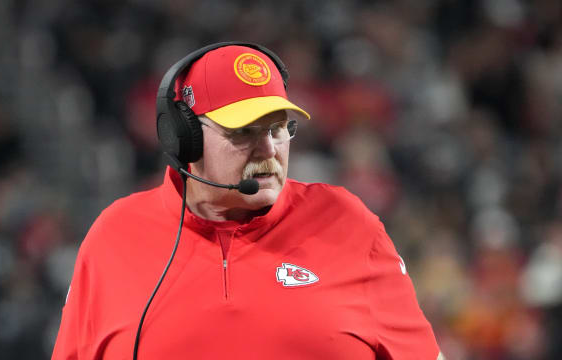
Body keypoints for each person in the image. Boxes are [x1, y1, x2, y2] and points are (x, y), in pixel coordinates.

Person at [52, 42, 445, 360]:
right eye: (244, 132)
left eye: (279, 129)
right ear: (183, 136)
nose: (269, 149)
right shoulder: (115, 237)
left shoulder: (348, 224)